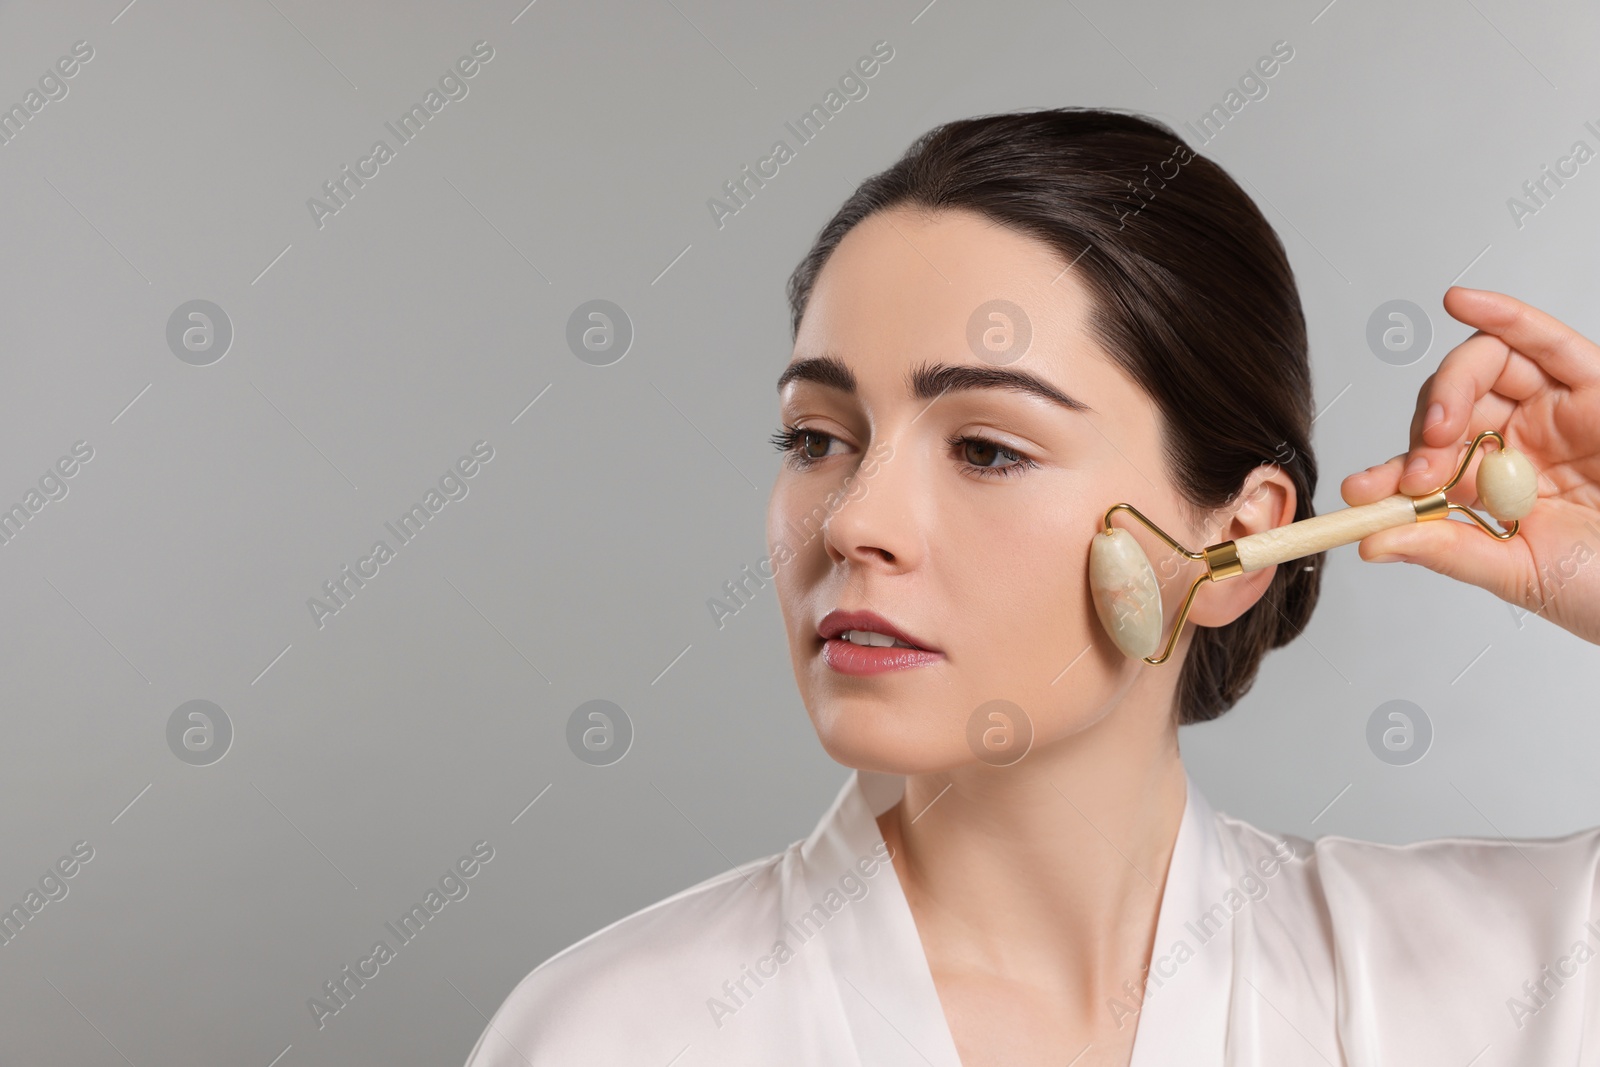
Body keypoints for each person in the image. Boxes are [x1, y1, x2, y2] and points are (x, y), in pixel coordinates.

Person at [459, 108, 1600, 1066]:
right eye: (816, 437)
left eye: (988, 449)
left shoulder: (1497, 975)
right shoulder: (619, 1033)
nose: (853, 520)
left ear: (1236, 540)